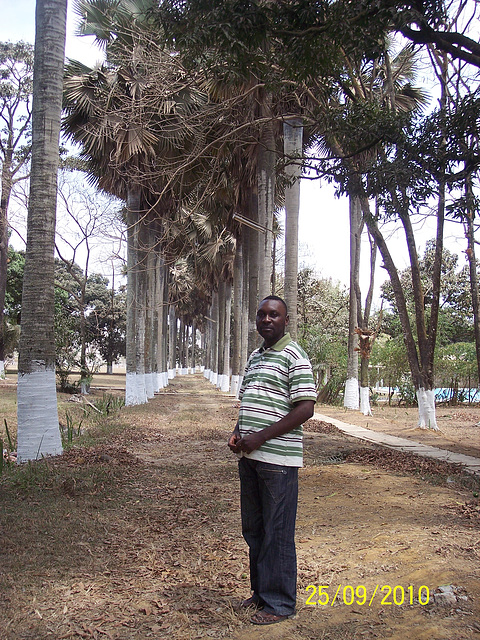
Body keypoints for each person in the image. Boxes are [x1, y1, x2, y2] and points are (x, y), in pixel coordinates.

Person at [228, 295, 316, 625]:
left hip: (278, 460)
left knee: (277, 532)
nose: (267, 319)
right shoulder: (255, 356)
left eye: (274, 315)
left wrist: (261, 436)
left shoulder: (295, 354)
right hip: (250, 457)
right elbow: (248, 402)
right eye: (262, 314)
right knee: (255, 529)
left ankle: (280, 604)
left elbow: (306, 408)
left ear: (286, 320)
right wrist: (237, 432)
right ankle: (262, 593)